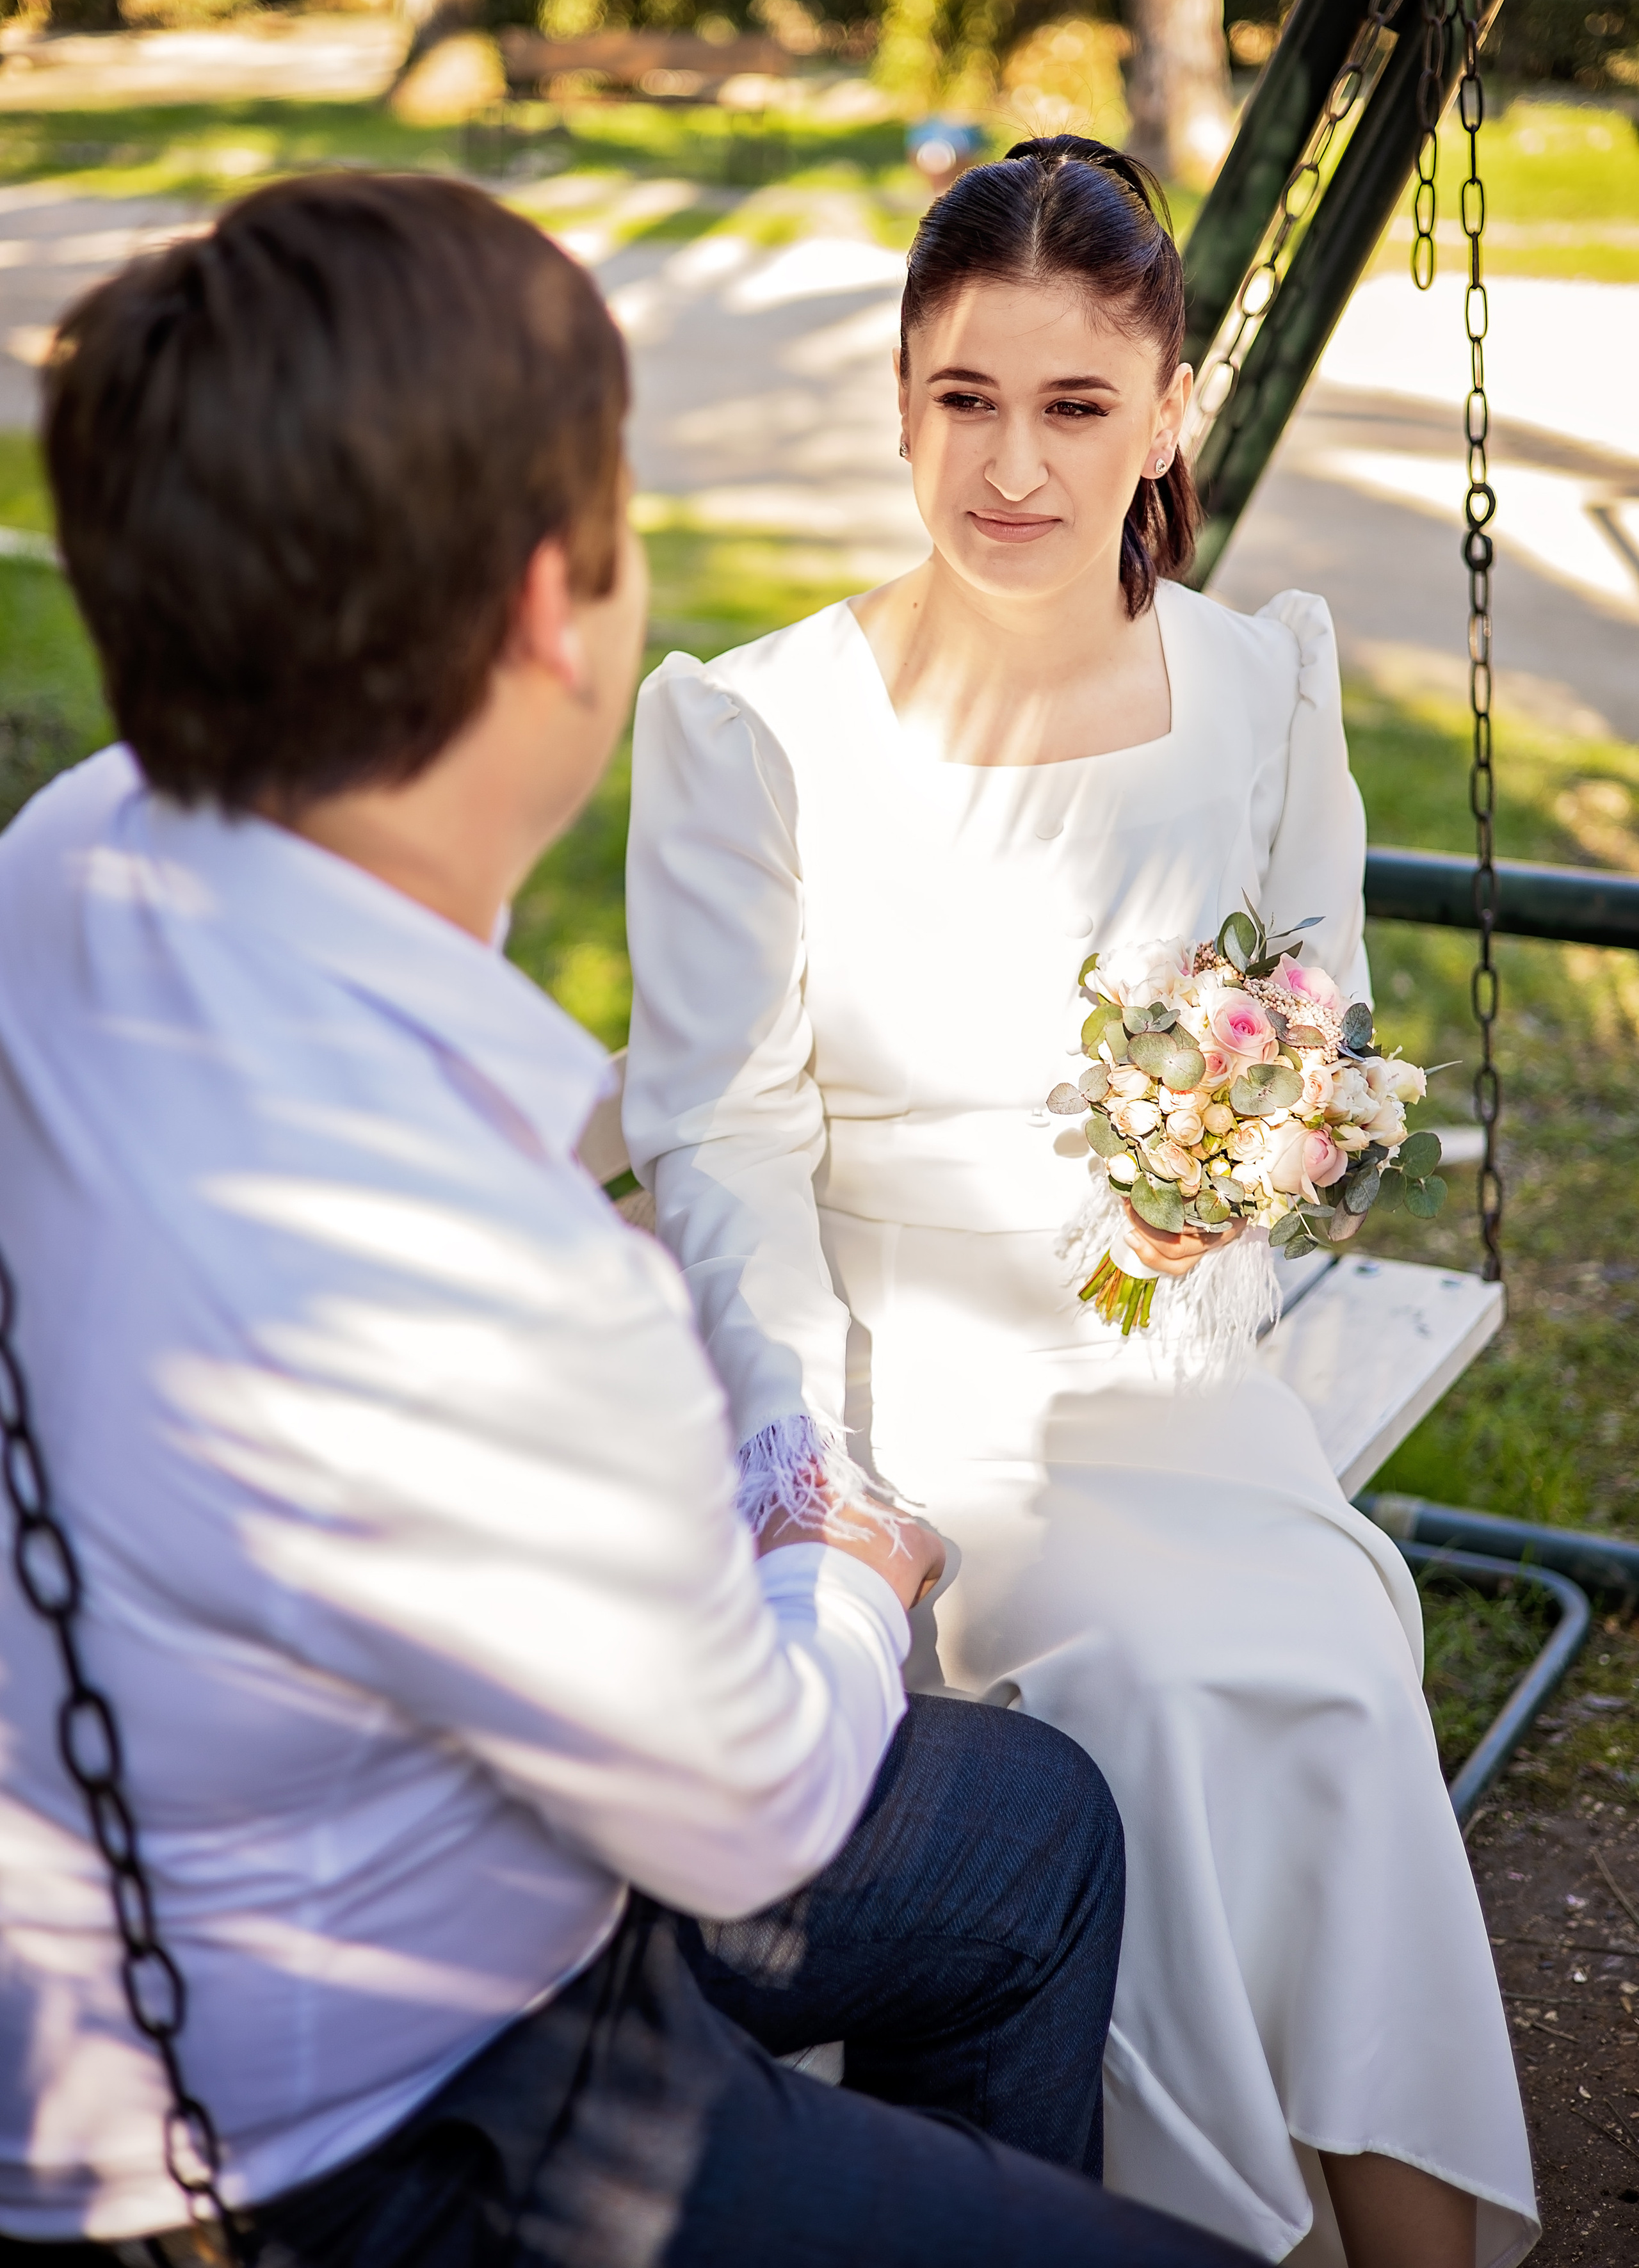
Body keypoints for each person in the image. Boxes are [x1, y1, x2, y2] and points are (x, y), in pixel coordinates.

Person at [0, 173, 1251, 2268]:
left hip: (163, 1897)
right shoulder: (491, 1272)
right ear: (547, 618)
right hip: (372, 2120)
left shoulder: (59, 866)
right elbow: (748, 1804)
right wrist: (844, 1569)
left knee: (1033, 1833)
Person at [621, 139, 1539, 2268]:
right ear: (904, 394)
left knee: (1323, 1680)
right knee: (1159, 1676)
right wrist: (811, 1460)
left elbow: (1324, 1024)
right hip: (895, 1394)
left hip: (1172, 1373)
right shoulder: (762, 730)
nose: (1012, 470)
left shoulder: (1261, 683)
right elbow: (723, 1141)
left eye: (1073, 407)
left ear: (1170, 415)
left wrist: (1253, 1174)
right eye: (965, 400)